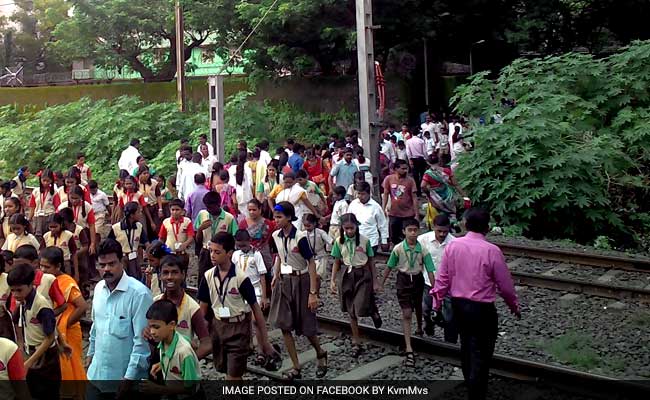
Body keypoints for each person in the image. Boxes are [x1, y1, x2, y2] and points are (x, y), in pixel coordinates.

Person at [432, 208, 521, 400]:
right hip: (482, 308)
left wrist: (436, 303)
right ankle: (476, 391)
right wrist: (513, 305)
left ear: (465, 224)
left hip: (459, 305)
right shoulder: (492, 251)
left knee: (466, 345)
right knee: (482, 350)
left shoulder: (453, 247)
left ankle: (470, 381)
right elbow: (505, 286)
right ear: (487, 228)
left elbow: (442, 279)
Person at [197, 232, 277, 380]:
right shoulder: (208, 276)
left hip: (238, 329)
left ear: (229, 253)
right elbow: (203, 307)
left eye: (217, 252)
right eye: (211, 251)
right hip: (218, 327)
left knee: (233, 376)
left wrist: (265, 342)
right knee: (228, 372)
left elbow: (256, 309)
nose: (212, 255)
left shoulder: (241, 278)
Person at [268, 202, 327, 379]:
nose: (276, 220)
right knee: (284, 325)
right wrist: (275, 273)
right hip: (284, 280)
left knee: (306, 325)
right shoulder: (276, 235)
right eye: (275, 217)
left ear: (288, 217)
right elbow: (279, 254)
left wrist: (313, 292)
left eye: (279, 217)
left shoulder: (300, 237)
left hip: (301, 280)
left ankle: (320, 352)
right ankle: (296, 366)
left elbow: (310, 262)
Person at [86, 239, 153, 395]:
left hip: (124, 383)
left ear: (122, 262)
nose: (107, 269)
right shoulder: (98, 289)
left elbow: (141, 343)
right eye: (102, 265)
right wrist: (90, 356)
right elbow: (96, 327)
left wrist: (128, 379)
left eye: (112, 264)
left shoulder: (139, 294)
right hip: (96, 376)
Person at [381, 218, 436, 367]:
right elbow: (389, 266)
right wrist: (381, 283)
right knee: (406, 312)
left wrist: (434, 287)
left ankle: (419, 327)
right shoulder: (398, 249)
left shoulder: (423, 250)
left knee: (418, 305)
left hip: (417, 279)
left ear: (418, 232)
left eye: (415, 230)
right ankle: (409, 347)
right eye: (409, 230)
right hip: (403, 280)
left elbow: (430, 269)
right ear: (404, 232)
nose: (412, 233)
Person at [329, 213, 381, 356]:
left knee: (360, 307)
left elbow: (371, 261)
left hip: (362, 273)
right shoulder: (339, 241)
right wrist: (333, 280)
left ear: (357, 227)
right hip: (347, 274)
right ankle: (356, 341)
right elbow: (337, 261)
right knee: (351, 310)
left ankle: (372, 310)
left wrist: (375, 281)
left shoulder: (364, 241)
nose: (350, 231)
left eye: (352, 228)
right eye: (347, 229)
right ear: (342, 228)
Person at [39, 247, 88, 394]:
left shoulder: (66, 282)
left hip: (69, 332)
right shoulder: (46, 280)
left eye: (47, 267)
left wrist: (65, 323)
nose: (43, 269)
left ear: (58, 266)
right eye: (41, 266)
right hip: (56, 331)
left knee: (72, 369)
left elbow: (82, 306)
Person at [8, 263, 60, 398]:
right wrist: (21, 346)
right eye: (12, 291)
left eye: (19, 290)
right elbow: (18, 324)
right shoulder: (24, 301)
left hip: (45, 357)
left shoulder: (42, 306)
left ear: (31, 285)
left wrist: (29, 362)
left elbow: (50, 337)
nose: (15, 294)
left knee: (46, 392)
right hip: (31, 352)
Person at [145, 255, 211, 359]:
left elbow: (207, 344)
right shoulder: (155, 302)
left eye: (174, 272)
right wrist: (147, 333)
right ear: (159, 276)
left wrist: (188, 361)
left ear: (183, 275)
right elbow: (148, 332)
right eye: (165, 273)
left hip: (179, 370)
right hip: (157, 362)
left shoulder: (191, 307)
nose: (170, 277)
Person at [139, 299, 202, 397]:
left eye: (156, 327)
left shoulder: (184, 352)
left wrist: (158, 389)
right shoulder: (164, 342)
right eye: (150, 327)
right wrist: (162, 364)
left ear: (172, 325)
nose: (152, 332)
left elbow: (190, 388)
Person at [418, 213, 454, 336]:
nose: (442, 234)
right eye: (439, 231)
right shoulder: (423, 240)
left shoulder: (454, 243)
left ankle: (450, 339)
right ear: (433, 227)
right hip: (429, 282)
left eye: (445, 232)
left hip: (448, 285)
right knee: (426, 309)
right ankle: (429, 326)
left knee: (449, 314)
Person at [194, 192, 238, 283]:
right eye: (206, 207)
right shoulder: (202, 214)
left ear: (219, 204)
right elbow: (198, 240)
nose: (208, 210)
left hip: (221, 253)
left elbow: (233, 238)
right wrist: (200, 229)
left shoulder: (229, 218)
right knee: (203, 278)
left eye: (210, 207)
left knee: (220, 278)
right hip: (206, 251)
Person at [238, 199, 275, 297]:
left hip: (265, 256)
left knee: (266, 280)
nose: (251, 212)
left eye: (254, 210)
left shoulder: (268, 224)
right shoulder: (242, 224)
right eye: (249, 210)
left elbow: (271, 242)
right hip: (248, 257)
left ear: (260, 209)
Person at [108, 201, 149, 280]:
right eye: (138, 212)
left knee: (135, 279)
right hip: (122, 259)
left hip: (134, 258)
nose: (140, 214)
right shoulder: (116, 228)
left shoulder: (139, 226)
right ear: (132, 215)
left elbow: (146, 242)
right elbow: (110, 244)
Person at [382, 159, 418, 245]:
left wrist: (416, 213)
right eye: (403, 168)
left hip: (408, 214)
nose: (405, 171)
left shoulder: (410, 180)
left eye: (406, 168)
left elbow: (414, 198)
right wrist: (383, 208)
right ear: (396, 169)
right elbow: (386, 194)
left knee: (407, 236)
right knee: (394, 236)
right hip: (394, 213)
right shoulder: (389, 179)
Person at [422, 153, 465, 222]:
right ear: (439, 161)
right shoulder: (447, 171)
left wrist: (428, 194)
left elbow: (423, 186)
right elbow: (456, 184)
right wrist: (464, 196)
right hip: (449, 195)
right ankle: (454, 223)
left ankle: (444, 225)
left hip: (437, 198)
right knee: (452, 213)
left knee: (441, 214)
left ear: (428, 162)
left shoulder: (428, 174)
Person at [347, 182, 389, 252]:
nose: (360, 196)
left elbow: (382, 225)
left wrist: (384, 241)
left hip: (371, 241)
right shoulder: (353, 204)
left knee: (369, 262)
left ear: (369, 193)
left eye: (363, 194)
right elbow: (348, 221)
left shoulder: (376, 207)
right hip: (355, 240)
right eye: (359, 193)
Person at [57, 185, 97, 256]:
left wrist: (93, 243)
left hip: (83, 235)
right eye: (72, 198)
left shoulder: (87, 207)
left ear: (81, 197)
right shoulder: (62, 207)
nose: (74, 200)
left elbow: (91, 225)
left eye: (76, 198)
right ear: (68, 196)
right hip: (66, 235)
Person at [158, 199, 194, 267]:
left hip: (182, 253)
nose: (175, 212)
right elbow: (161, 238)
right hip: (169, 253)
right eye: (173, 210)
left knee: (182, 271)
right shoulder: (166, 222)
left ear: (182, 211)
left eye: (177, 210)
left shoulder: (187, 221)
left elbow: (190, 237)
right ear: (170, 210)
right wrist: (161, 250)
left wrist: (184, 244)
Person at [43, 214, 78, 280]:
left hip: (65, 264)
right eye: (51, 227)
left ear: (61, 224)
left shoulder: (68, 235)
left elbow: (74, 254)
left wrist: (76, 273)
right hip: (50, 265)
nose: (53, 229)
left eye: (55, 227)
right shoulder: (46, 236)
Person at [302, 214, 332, 282]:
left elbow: (330, 240)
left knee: (317, 277)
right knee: (310, 277)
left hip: (321, 257)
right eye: (305, 226)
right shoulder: (302, 234)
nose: (307, 228)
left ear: (314, 223)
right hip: (309, 258)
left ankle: (316, 292)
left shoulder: (320, 232)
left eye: (309, 226)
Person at [137, 166, 163, 240]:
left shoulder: (154, 183)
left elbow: (158, 196)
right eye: (144, 173)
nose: (146, 175)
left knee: (156, 226)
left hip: (153, 206)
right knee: (144, 227)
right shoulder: (137, 184)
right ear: (140, 174)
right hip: (142, 208)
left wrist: (160, 209)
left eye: (147, 173)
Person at [28, 168, 56, 238]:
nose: (45, 183)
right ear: (40, 180)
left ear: (51, 181)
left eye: (48, 181)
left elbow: (57, 206)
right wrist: (29, 218)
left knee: (48, 236)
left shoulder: (55, 192)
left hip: (49, 216)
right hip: (37, 216)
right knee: (37, 236)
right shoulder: (36, 191)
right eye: (44, 180)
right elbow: (32, 206)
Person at [228, 150, 254, 218]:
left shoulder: (231, 169)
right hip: (247, 196)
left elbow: (231, 185)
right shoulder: (248, 169)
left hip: (236, 196)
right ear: (246, 159)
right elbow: (251, 184)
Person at [406, 130, 428, 196]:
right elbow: (424, 151)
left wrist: (410, 160)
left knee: (415, 176)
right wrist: (426, 159)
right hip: (421, 159)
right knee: (422, 175)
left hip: (413, 159)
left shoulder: (408, 141)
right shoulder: (421, 141)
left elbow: (408, 152)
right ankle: (422, 189)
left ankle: (418, 191)